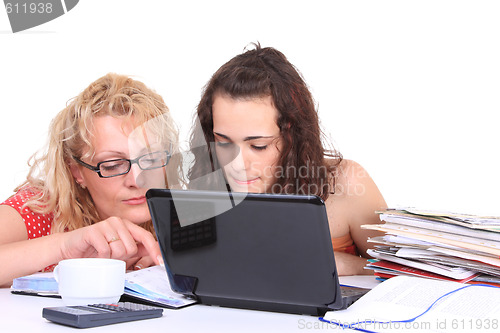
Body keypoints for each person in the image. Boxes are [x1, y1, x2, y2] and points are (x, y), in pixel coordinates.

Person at [188, 44, 387, 275]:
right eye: (223, 142)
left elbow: (409, 274)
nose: (237, 165)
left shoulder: (347, 183)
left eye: (258, 146)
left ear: (292, 136)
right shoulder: (206, 185)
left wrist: (342, 264)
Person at [0, 73, 180, 287]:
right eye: (112, 164)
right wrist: (64, 248)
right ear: (77, 172)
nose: (137, 180)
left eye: (151, 159)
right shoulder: (39, 210)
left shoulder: (181, 215)